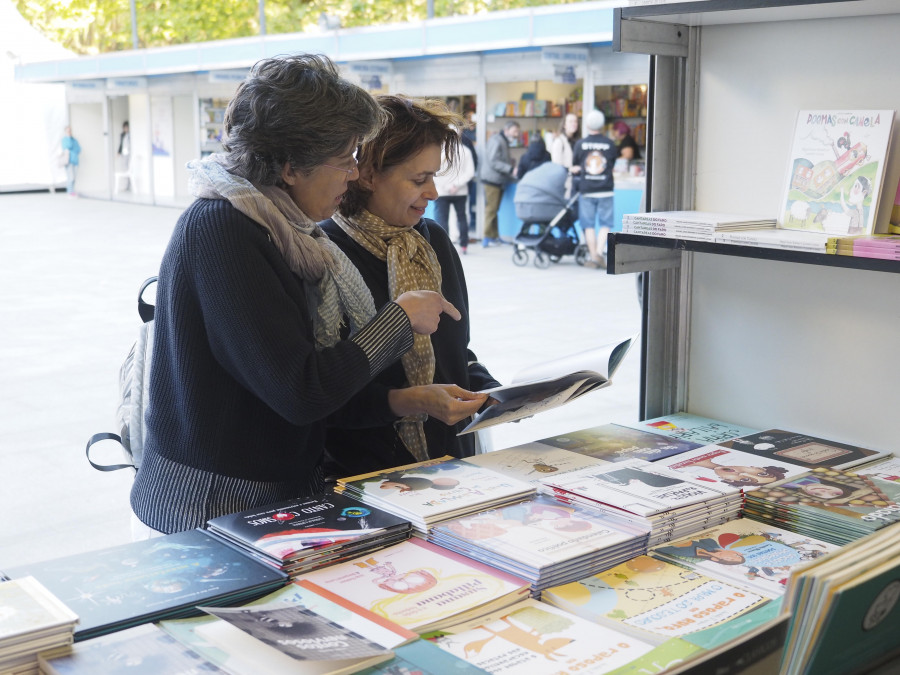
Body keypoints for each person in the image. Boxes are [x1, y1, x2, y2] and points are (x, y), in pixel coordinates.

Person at [129, 55, 459, 537]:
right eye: (344, 158)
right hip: (212, 504)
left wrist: (408, 399)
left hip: (276, 491)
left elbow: (321, 387)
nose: (353, 173)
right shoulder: (223, 229)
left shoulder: (289, 232)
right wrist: (399, 321)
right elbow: (301, 390)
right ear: (290, 167)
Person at [321, 95, 500, 478]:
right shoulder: (324, 252)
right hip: (363, 471)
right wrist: (406, 401)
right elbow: (320, 393)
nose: (433, 192)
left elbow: (454, 350)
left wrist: (492, 392)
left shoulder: (430, 241)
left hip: (448, 459)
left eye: (434, 176)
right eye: (419, 179)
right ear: (367, 174)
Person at [571, 109, 618, 269]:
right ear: (603, 125)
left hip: (587, 189)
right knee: (606, 223)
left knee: (588, 224)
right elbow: (611, 164)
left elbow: (577, 163)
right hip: (606, 188)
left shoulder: (580, 144)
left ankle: (593, 256)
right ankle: (599, 252)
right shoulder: (610, 144)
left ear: (587, 124)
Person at [433, 132, 476, 254]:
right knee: (462, 217)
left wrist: (445, 186)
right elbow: (470, 172)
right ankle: (464, 245)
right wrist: (456, 185)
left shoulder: (439, 151)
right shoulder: (465, 151)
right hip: (460, 191)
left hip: (442, 191)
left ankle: (443, 247)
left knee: (442, 219)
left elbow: (433, 171)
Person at [479, 120, 520, 247]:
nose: (516, 134)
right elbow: (493, 161)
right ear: (506, 130)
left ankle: (494, 236)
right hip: (492, 180)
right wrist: (510, 169)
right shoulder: (497, 140)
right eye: (515, 131)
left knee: (494, 209)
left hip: (497, 180)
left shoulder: (502, 140)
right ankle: (486, 237)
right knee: (491, 210)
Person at [61, 126, 81, 198]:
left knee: (74, 178)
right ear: (65, 132)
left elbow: (78, 149)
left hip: (75, 161)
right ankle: (69, 192)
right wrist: (69, 138)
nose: (69, 132)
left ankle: (72, 191)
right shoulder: (65, 140)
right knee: (70, 178)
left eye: (70, 131)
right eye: (68, 131)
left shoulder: (74, 140)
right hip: (69, 161)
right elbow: (67, 146)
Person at [116, 121, 131, 192]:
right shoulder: (122, 135)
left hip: (129, 154)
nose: (126, 129)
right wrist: (118, 152)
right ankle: (126, 185)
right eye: (125, 127)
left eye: (127, 127)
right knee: (125, 169)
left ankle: (129, 185)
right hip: (124, 154)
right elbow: (121, 144)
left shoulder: (130, 135)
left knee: (129, 169)